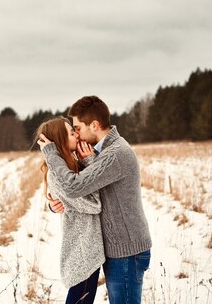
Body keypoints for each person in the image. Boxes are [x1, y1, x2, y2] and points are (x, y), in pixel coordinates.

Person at [38, 96, 152, 304]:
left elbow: (75, 187)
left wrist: (51, 155)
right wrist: (56, 204)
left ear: (95, 125)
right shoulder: (101, 151)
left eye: (78, 128)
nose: (77, 134)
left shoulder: (114, 154)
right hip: (118, 250)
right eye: (72, 131)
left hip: (126, 251)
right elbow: (75, 189)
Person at [35, 117, 105, 304]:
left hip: (86, 249)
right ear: (60, 140)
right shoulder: (58, 175)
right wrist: (90, 162)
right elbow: (93, 204)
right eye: (71, 132)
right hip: (81, 254)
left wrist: (87, 161)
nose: (76, 134)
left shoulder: (69, 166)